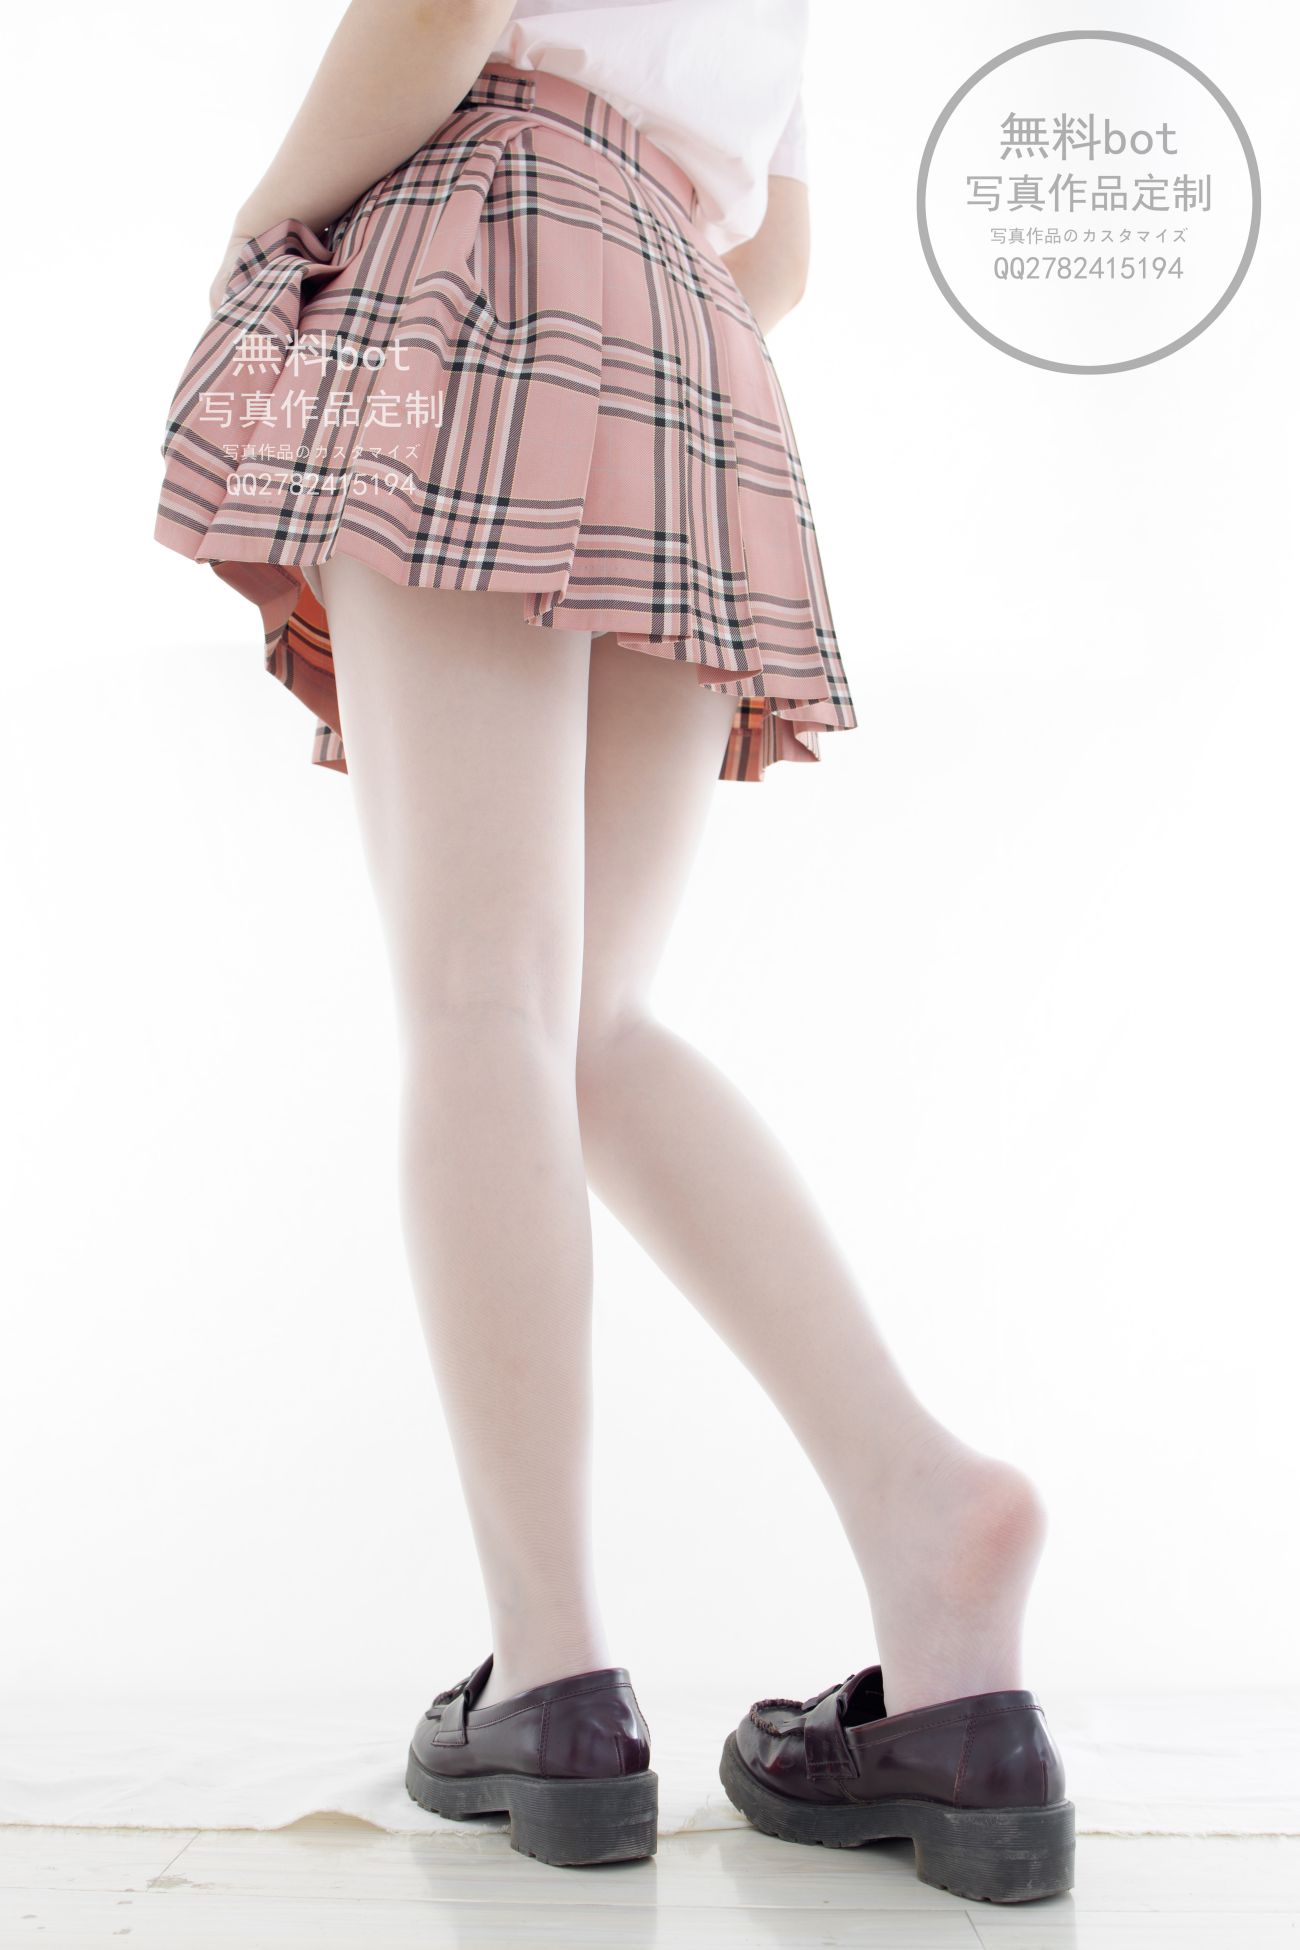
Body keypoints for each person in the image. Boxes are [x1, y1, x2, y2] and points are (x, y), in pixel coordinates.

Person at [153, 0, 1074, 1900]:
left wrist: (260, 225)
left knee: (485, 995)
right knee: (594, 1020)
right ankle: (926, 1516)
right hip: (693, 333)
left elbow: (441, 15)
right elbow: (782, 252)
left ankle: (551, 1674)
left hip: (486, 244)